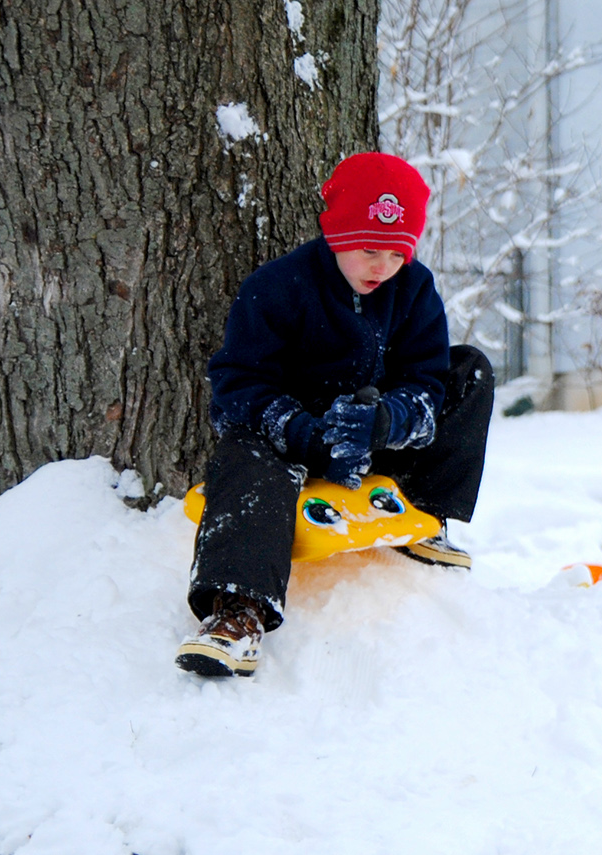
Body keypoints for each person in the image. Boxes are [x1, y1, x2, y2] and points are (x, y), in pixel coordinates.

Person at [175, 152, 496, 678]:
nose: (383, 267)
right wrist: (303, 432)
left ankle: (424, 513)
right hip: (294, 434)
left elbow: (427, 377)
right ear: (337, 233)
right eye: (370, 249)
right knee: (241, 454)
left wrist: (390, 420)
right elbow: (238, 385)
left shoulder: (413, 288)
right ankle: (237, 612)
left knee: (470, 371)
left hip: (373, 434)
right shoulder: (277, 287)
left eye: (397, 254)